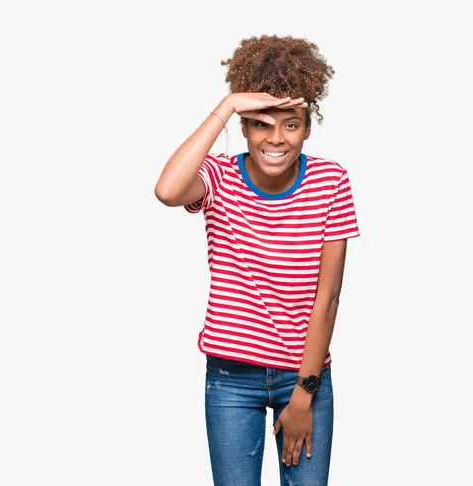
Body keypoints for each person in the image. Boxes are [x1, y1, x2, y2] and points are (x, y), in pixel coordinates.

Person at [154, 34, 360, 486]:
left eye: (291, 124)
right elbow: (168, 190)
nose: (276, 138)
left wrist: (305, 395)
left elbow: (327, 298)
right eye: (262, 124)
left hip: (303, 377)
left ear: (308, 128)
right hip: (231, 379)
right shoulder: (219, 175)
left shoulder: (330, 181)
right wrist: (227, 106)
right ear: (245, 129)